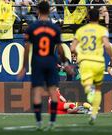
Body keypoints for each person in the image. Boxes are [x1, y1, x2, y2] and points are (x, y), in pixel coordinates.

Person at [17, 1, 73, 130]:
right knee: (53, 91)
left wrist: (23, 67)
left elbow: (27, 49)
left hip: (37, 61)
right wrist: (65, 64)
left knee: (37, 91)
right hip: (50, 61)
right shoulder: (55, 28)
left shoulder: (32, 28)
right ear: (49, 11)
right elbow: (60, 49)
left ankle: (38, 123)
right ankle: (52, 122)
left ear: (37, 11)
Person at [71, 9, 112, 125]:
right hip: (99, 62)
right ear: (99, 18)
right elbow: (107, 45)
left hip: (86, 62)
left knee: (88, 86)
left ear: (88, 17)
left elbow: (72, 48)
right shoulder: (102, 30)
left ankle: (90, 93)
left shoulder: (81, 30)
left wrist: (79, 54)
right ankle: (94, 114)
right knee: (98, 89)